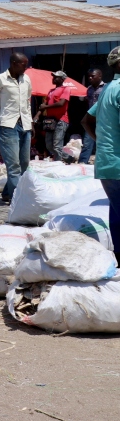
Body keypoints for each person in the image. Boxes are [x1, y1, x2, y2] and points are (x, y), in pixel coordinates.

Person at [82, 47, 120, 263]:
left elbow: (85, 121)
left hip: (107, 163)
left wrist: (104, 143)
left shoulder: (107, 89)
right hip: (118, 162)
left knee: (116, 213)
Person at [0, 52, 33, 203]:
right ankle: (17, 199)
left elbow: (28, 101)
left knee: (25, 164)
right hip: (8, 126)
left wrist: (30, 121)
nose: (26, 68)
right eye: (23, 64)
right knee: (14, 165)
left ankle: (7, 192)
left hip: (25, 125)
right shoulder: (0, 80)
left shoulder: (26, 79)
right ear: (14, 63)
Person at [37, 71, 72, 163]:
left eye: (56, 77)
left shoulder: (66, 89)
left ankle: (57, 164)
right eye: (54, 77)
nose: (54, 79)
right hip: (50, 121)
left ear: (62, 79)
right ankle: (67, 157)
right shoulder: (50, 91)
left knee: (57, 145)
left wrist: (46, 107)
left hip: (61, 120)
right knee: (49, 145)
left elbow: (61, 103)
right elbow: (43, 105)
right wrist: (36, 116)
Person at [80, 69, 104, 165]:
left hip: (102, 119)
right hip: (91, 119)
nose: (90, 78)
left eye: (92, 76)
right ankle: (82, 163)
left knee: (102, 141)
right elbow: (87, 101)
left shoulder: (106, 88)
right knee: (87, 142)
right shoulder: (89, 89)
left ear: (100, 76)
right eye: (89, 76)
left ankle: (102, 163)